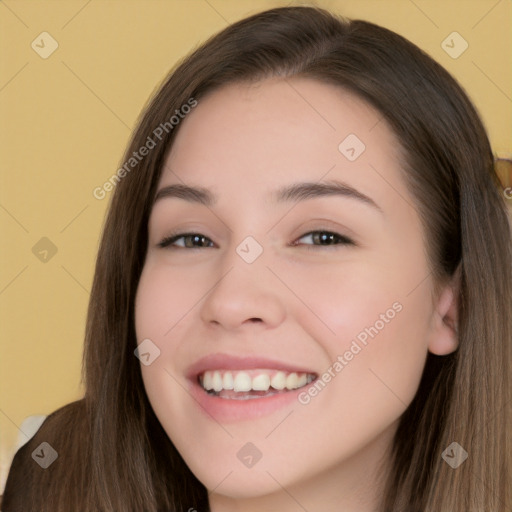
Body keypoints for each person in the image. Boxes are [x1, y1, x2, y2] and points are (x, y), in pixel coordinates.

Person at [2, 5, 511, 512]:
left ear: (452, 305)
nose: (231, 299)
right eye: (191, 239)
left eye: (320, 237)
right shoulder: (48, 486)